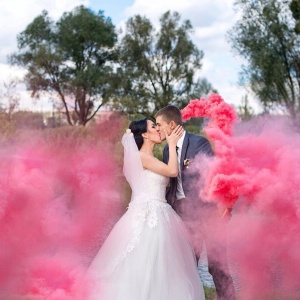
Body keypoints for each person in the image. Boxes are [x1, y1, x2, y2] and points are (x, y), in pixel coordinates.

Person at [88, 118, 205, 300]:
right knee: (145, 261)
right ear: (144, 134)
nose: (158, 130)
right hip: (149, 215)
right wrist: (173, 144)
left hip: (162, 212)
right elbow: (172, 171)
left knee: (164, 266)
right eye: (153, 127)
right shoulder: (142, 157)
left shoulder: (152, 158)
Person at [155, 105, 236, 300]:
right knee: (187, 264)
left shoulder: (199, 143)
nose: (158, 129)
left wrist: (225, 205)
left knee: (217, 265)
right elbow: (172, 183)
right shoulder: (167, 150)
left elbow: (212, 174)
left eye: (159, 125)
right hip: (181, 215)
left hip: (206, 214)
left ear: (172, 124)